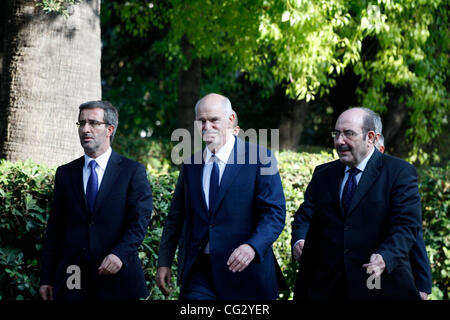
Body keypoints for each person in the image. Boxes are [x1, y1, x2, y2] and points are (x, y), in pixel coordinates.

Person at [156, 93, 286, 300]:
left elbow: (274, 213)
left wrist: (252, 246)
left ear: (231, 119)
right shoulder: (191, 165)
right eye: (201, 121)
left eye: (214, 120)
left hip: (247, 273)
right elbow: (176, 217)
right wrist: (164, 261)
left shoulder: (261, 158)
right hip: (199, 273)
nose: (207, 126)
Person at [291, 107, 424, 300]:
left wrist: (385, 257)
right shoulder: (323, 174)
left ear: (371, 137)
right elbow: (305, 216)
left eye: (348, 134)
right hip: (326, 289)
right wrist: (299, 239)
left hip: (379, 287)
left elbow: (407, 226)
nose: (339, 141)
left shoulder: (399, 172)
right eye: (336, 133)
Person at [39, 101, 153, 300]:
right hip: (72, 281)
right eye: (81, 123)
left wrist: (120, 254)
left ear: (110, 129)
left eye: (93, 123)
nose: (85, 129)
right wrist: (47, 278)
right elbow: (55, 229)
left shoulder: (132, 171)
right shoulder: (65, 173)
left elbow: (139, 220)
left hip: (117, 279)